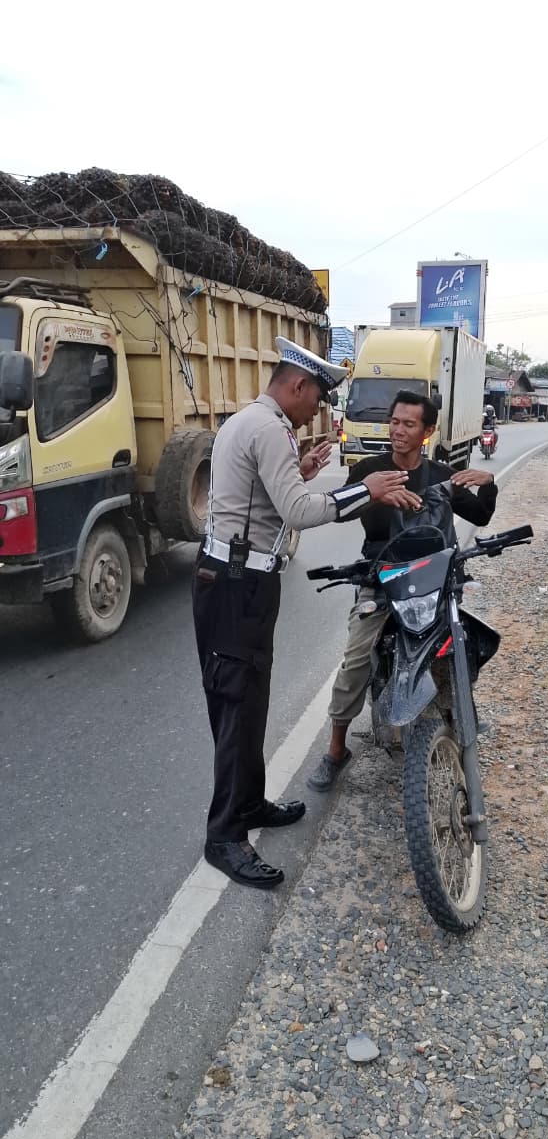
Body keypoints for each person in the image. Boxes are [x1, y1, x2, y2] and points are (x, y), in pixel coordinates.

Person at [193, 337, 420, 889]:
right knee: (236, 709)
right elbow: (296, 510)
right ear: (296, 385)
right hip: (235, 585)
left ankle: (247, 805)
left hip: (242, 581)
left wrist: (301, 466)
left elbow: (266, 496)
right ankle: (224, 836)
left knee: (250, 703)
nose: (316, 410)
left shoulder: (256, 424)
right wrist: (365, 492)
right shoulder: (267, 427)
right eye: (315, 399)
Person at [307, 389, 498, 792]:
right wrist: (371, 495)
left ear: (427, 431)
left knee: (460, 644)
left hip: (435, 579)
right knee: (357, 657)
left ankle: (461, 715)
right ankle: (336, 749)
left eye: (408, 424)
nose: (398, 430)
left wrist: (489, 482)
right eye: (394, 422)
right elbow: (339, 511)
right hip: (381, 577)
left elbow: (480, 514)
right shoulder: (369, 470)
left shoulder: (443, 476)